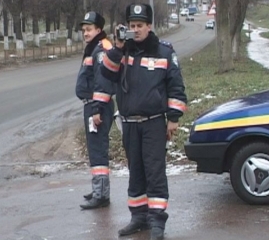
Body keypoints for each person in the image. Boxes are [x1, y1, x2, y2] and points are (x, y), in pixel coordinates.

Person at [100, 3, 187, 240]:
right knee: (135, 171)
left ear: (150, 26)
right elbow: (106, 74)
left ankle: (157, 221)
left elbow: (176, 87)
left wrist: (174, 118)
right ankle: (138, 217)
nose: (135, 30)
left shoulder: (164, 52)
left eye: (140, 25)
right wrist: (118, 47)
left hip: (154, 123)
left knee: (155, 172)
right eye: (132, 26)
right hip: (129, 123)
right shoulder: (122, 51)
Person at [75, 11, 115, 210]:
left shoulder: (101, 49)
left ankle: (101, 195)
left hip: (97, 106)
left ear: (98, 30)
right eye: (84, 30)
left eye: (89, 30)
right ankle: (99, 190)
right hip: (93, 105)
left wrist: (97, 109)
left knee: (98, 150)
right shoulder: (95, 47)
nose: (85, 33)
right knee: (95, 149)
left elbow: (103, 81)